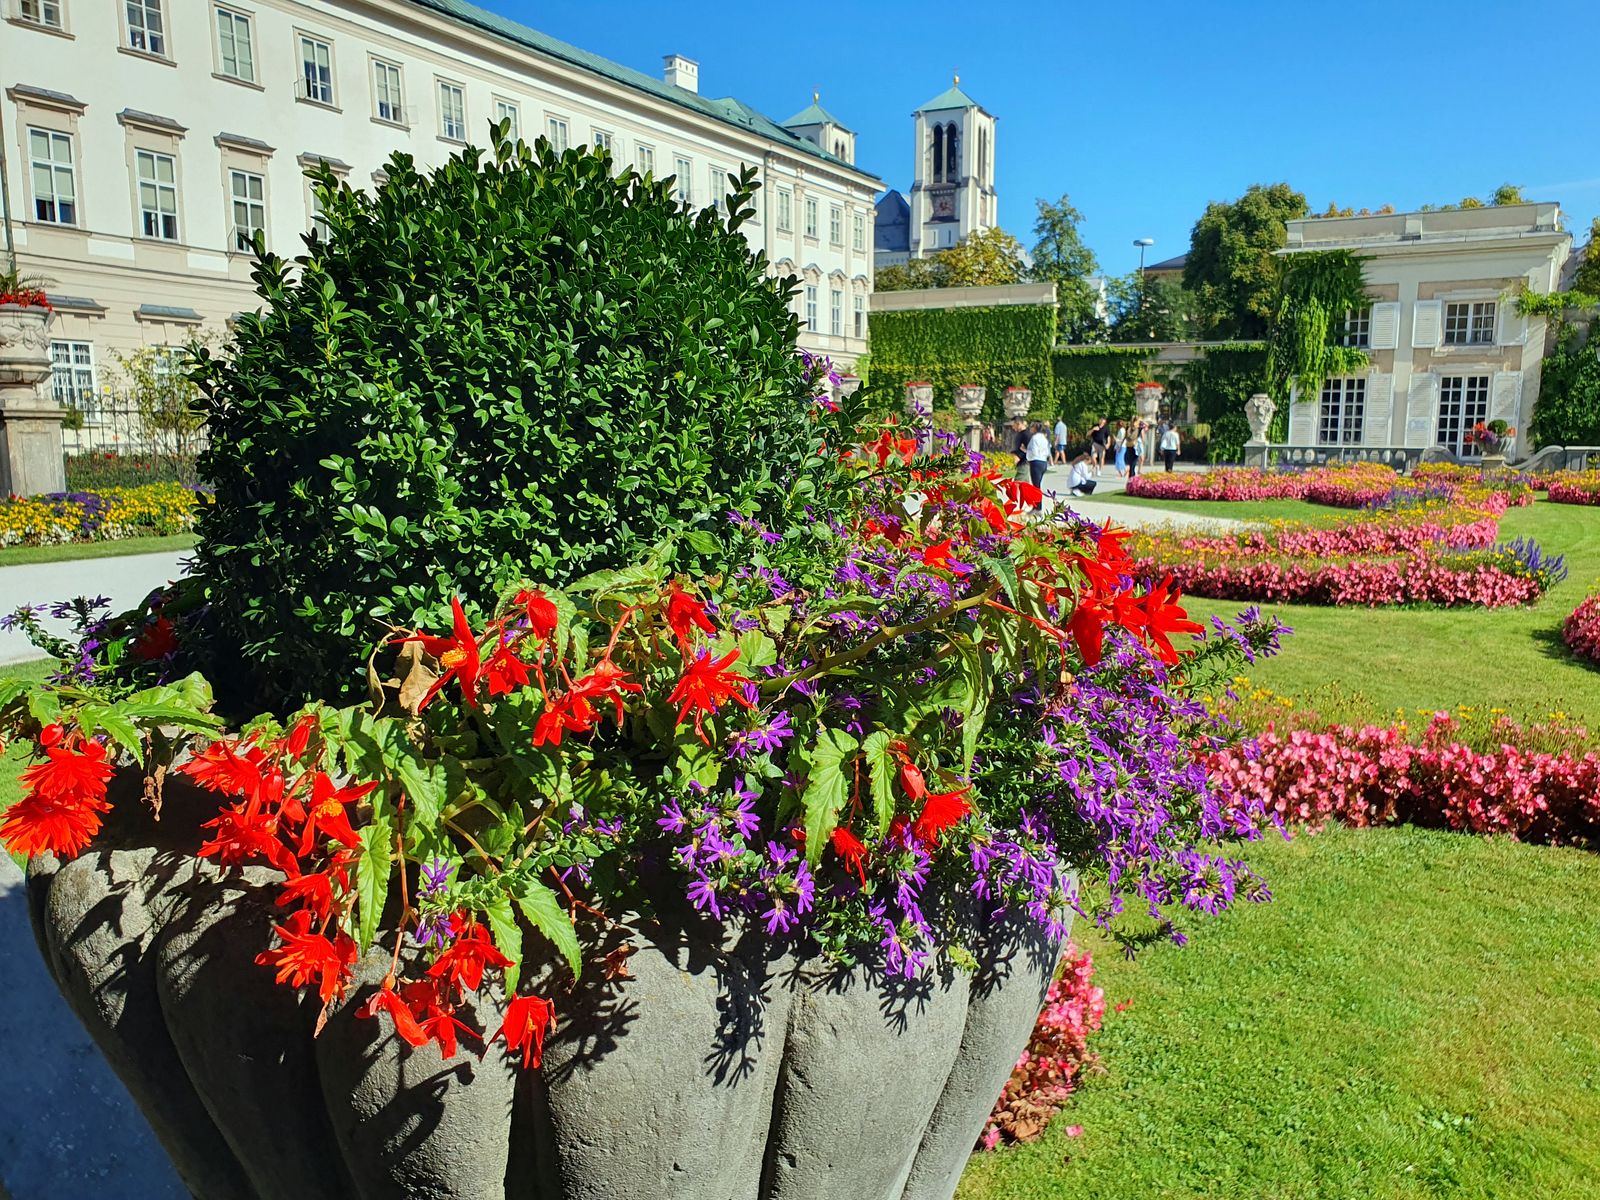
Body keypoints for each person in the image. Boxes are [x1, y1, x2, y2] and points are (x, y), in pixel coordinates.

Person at [1026, 421, 1051, 492]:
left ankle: (1038, 502)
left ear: (1034, 428)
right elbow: (1047, 450)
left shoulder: (1034, 438)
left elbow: (1034, 451)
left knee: (1036, 486)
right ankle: (1038, 502)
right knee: (1038, 484)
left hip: (1036, 461)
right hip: (1043, 461)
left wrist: (1029, 458)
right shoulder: (1044, 438)